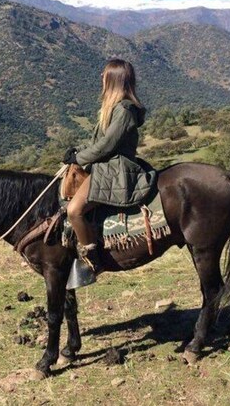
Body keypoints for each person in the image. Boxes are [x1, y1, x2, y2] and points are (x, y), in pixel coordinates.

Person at [62, 59, 157, 287]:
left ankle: (92, 261)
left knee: (74, 210)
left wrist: (79, 159)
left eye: (104, 75)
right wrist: (79, 152)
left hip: (116, 170)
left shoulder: (124, 110)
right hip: (105, 165)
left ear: (114, 79)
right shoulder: (113, 108)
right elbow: (100, 142)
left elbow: (107, 146)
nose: (101, 78)